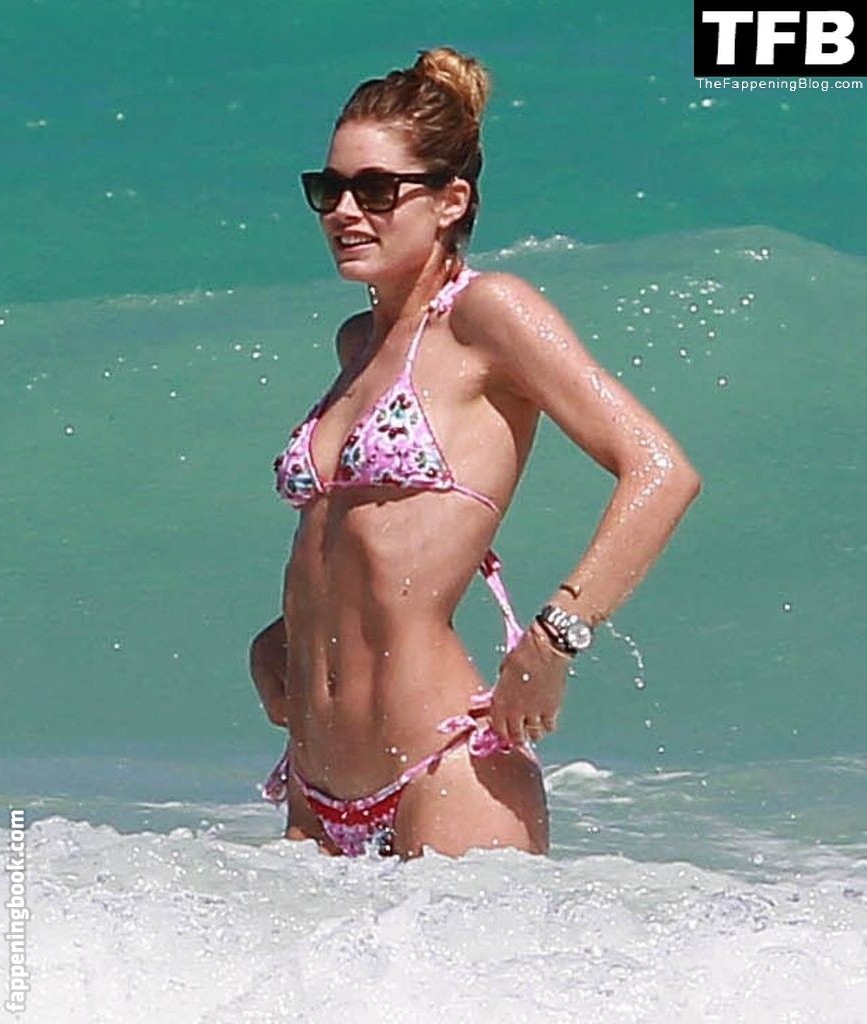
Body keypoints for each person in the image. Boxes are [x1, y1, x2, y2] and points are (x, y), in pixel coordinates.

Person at [249, 46, 701, 860]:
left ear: (450, 200)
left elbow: (661, 472)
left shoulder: (488, 314)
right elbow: (372, 543)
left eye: (376, 190)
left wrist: (554, 639)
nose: (345, 211)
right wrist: (284, 634)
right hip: (316, 782)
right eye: (329, 189)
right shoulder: (357, 343)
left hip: (444, 770)